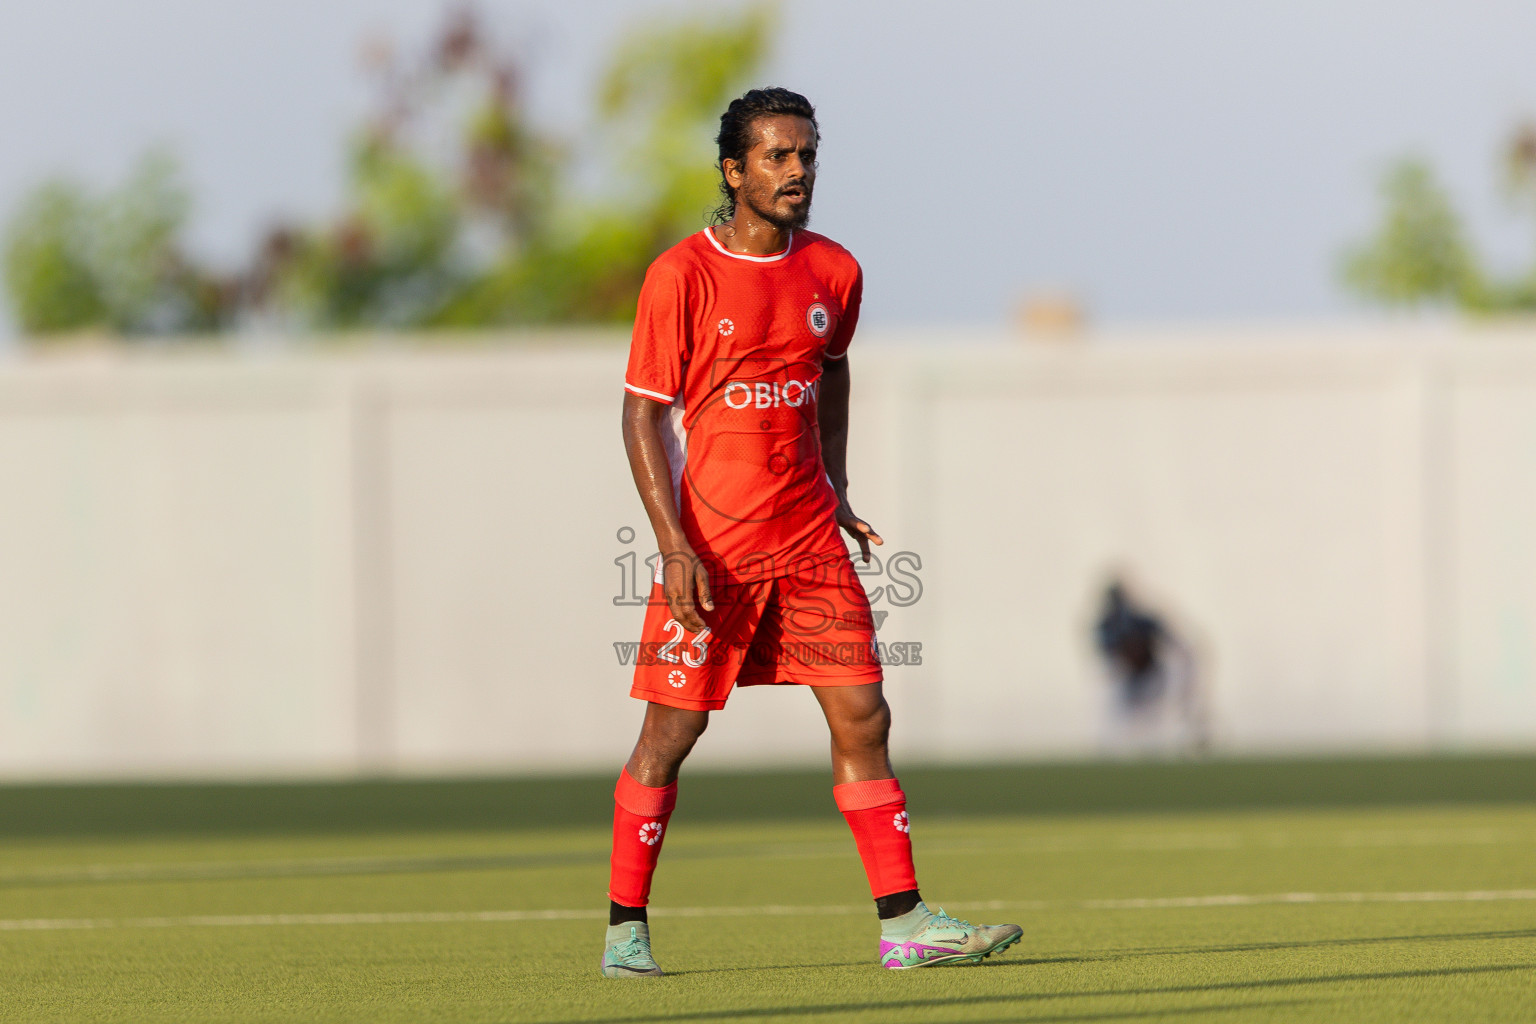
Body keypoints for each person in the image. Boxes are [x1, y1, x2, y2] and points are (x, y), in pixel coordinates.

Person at [602, 87, 1021, 977]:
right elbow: (641, 417)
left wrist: (834, 483)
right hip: (714, 551)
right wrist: (674, 546)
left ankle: (904, 925)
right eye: (778, 157)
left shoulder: (834, 270)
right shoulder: (682, 275)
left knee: (865, 714)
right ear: (734, 170)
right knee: (669, 739)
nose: (798, 172)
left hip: (809, 547)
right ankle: (624, 928)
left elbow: (831, 375)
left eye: (808, 155)